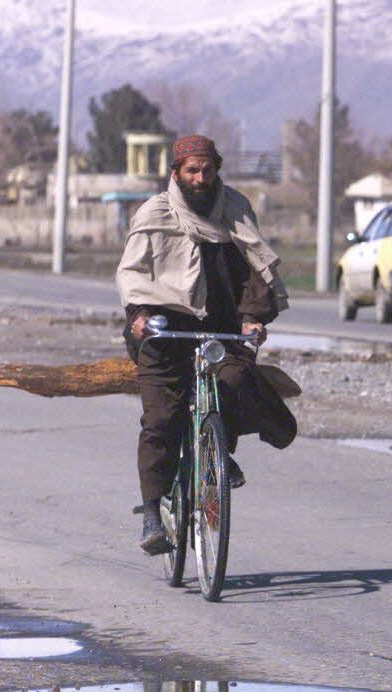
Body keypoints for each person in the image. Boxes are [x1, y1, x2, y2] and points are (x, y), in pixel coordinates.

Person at [117, 134, 296, 555]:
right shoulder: (155, 212)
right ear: (176, 174)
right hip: (163, 328)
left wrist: (253, 318)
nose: (200, 178)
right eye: (192, 171)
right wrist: (139, 317)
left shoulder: (234, 209)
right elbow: (133, 273)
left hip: (221, 327)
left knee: (236, 380)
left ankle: (216, 451)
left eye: (207, 170)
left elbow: (255, 269)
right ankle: (150, 513)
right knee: (162, 419)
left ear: (216, 171)